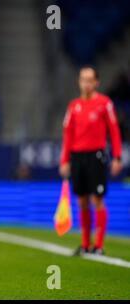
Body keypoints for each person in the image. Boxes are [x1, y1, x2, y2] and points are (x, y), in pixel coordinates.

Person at [59, 66, 123, 256]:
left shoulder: (105, 104)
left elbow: (114, 130)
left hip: (96, 155)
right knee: (81, 200)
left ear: (96, 82)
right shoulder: (73, 106)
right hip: (77, 157)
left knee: (97, 199)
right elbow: (67, 135)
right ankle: (86, 244)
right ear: (79, 82)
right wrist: (64, 160)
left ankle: (100, 246)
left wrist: (117, 157)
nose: (86, 84)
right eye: (83, 79)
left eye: (89, 80)